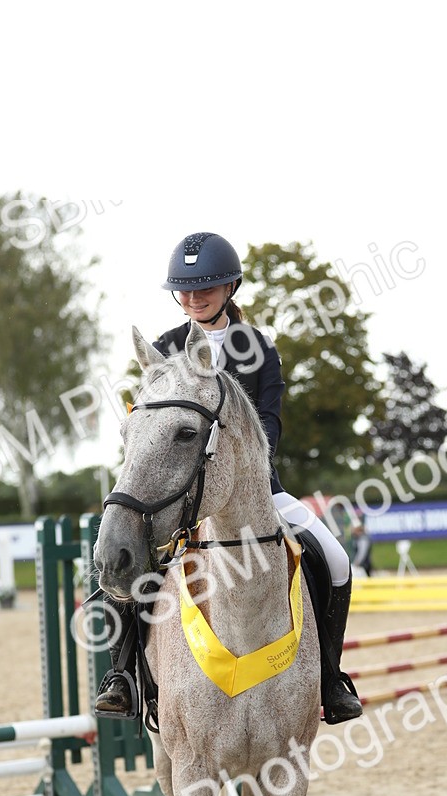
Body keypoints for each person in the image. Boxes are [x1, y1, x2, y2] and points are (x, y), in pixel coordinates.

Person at [96, 231, 362, 724]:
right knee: (129, 559)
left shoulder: (258, 348)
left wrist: (244, 477)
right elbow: (152, 428)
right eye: (186, 291)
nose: (195, 299)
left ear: (230, 288)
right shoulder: (165, 349)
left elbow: (270, 422)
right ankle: (123, 674)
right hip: (180, 496)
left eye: (207, 289)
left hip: (258, 492)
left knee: (337, 560)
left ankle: (330, 677)